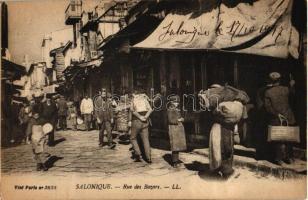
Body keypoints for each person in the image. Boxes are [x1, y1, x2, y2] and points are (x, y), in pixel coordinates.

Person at [264, 72, 296, 165]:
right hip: (289, 117)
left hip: (276, 119)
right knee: (289, 138)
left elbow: (268, 107)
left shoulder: (268, 92)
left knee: (277, 140)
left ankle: (279, 159)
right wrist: (292, 85)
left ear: (270, 81)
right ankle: (289, 158)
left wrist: (277, 114)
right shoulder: (286, 89)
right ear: (280, 80)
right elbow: (293, 97)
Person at [129, 88, 153, 163]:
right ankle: (148, 158)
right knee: (146, 139)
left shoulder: (134, 100)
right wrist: (145, 117)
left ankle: (138, 154)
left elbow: (133, 111)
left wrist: (140, 117)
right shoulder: (144, 99)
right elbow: (150, 109)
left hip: (136, 121)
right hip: (145, 121)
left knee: (132, 138)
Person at [167, 95, 187, 168]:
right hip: (173, 128)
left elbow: (178, 117)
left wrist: (182, 119)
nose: (177, 103)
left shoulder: (176, 108)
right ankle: (174, 162)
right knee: (175, 146)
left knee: (177, 145)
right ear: (172, 102)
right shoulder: (170, 108)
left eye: (177, 102)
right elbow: (170, 120)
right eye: (175, 102)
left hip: (178, 128)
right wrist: (178, 120)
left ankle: (176, 160)